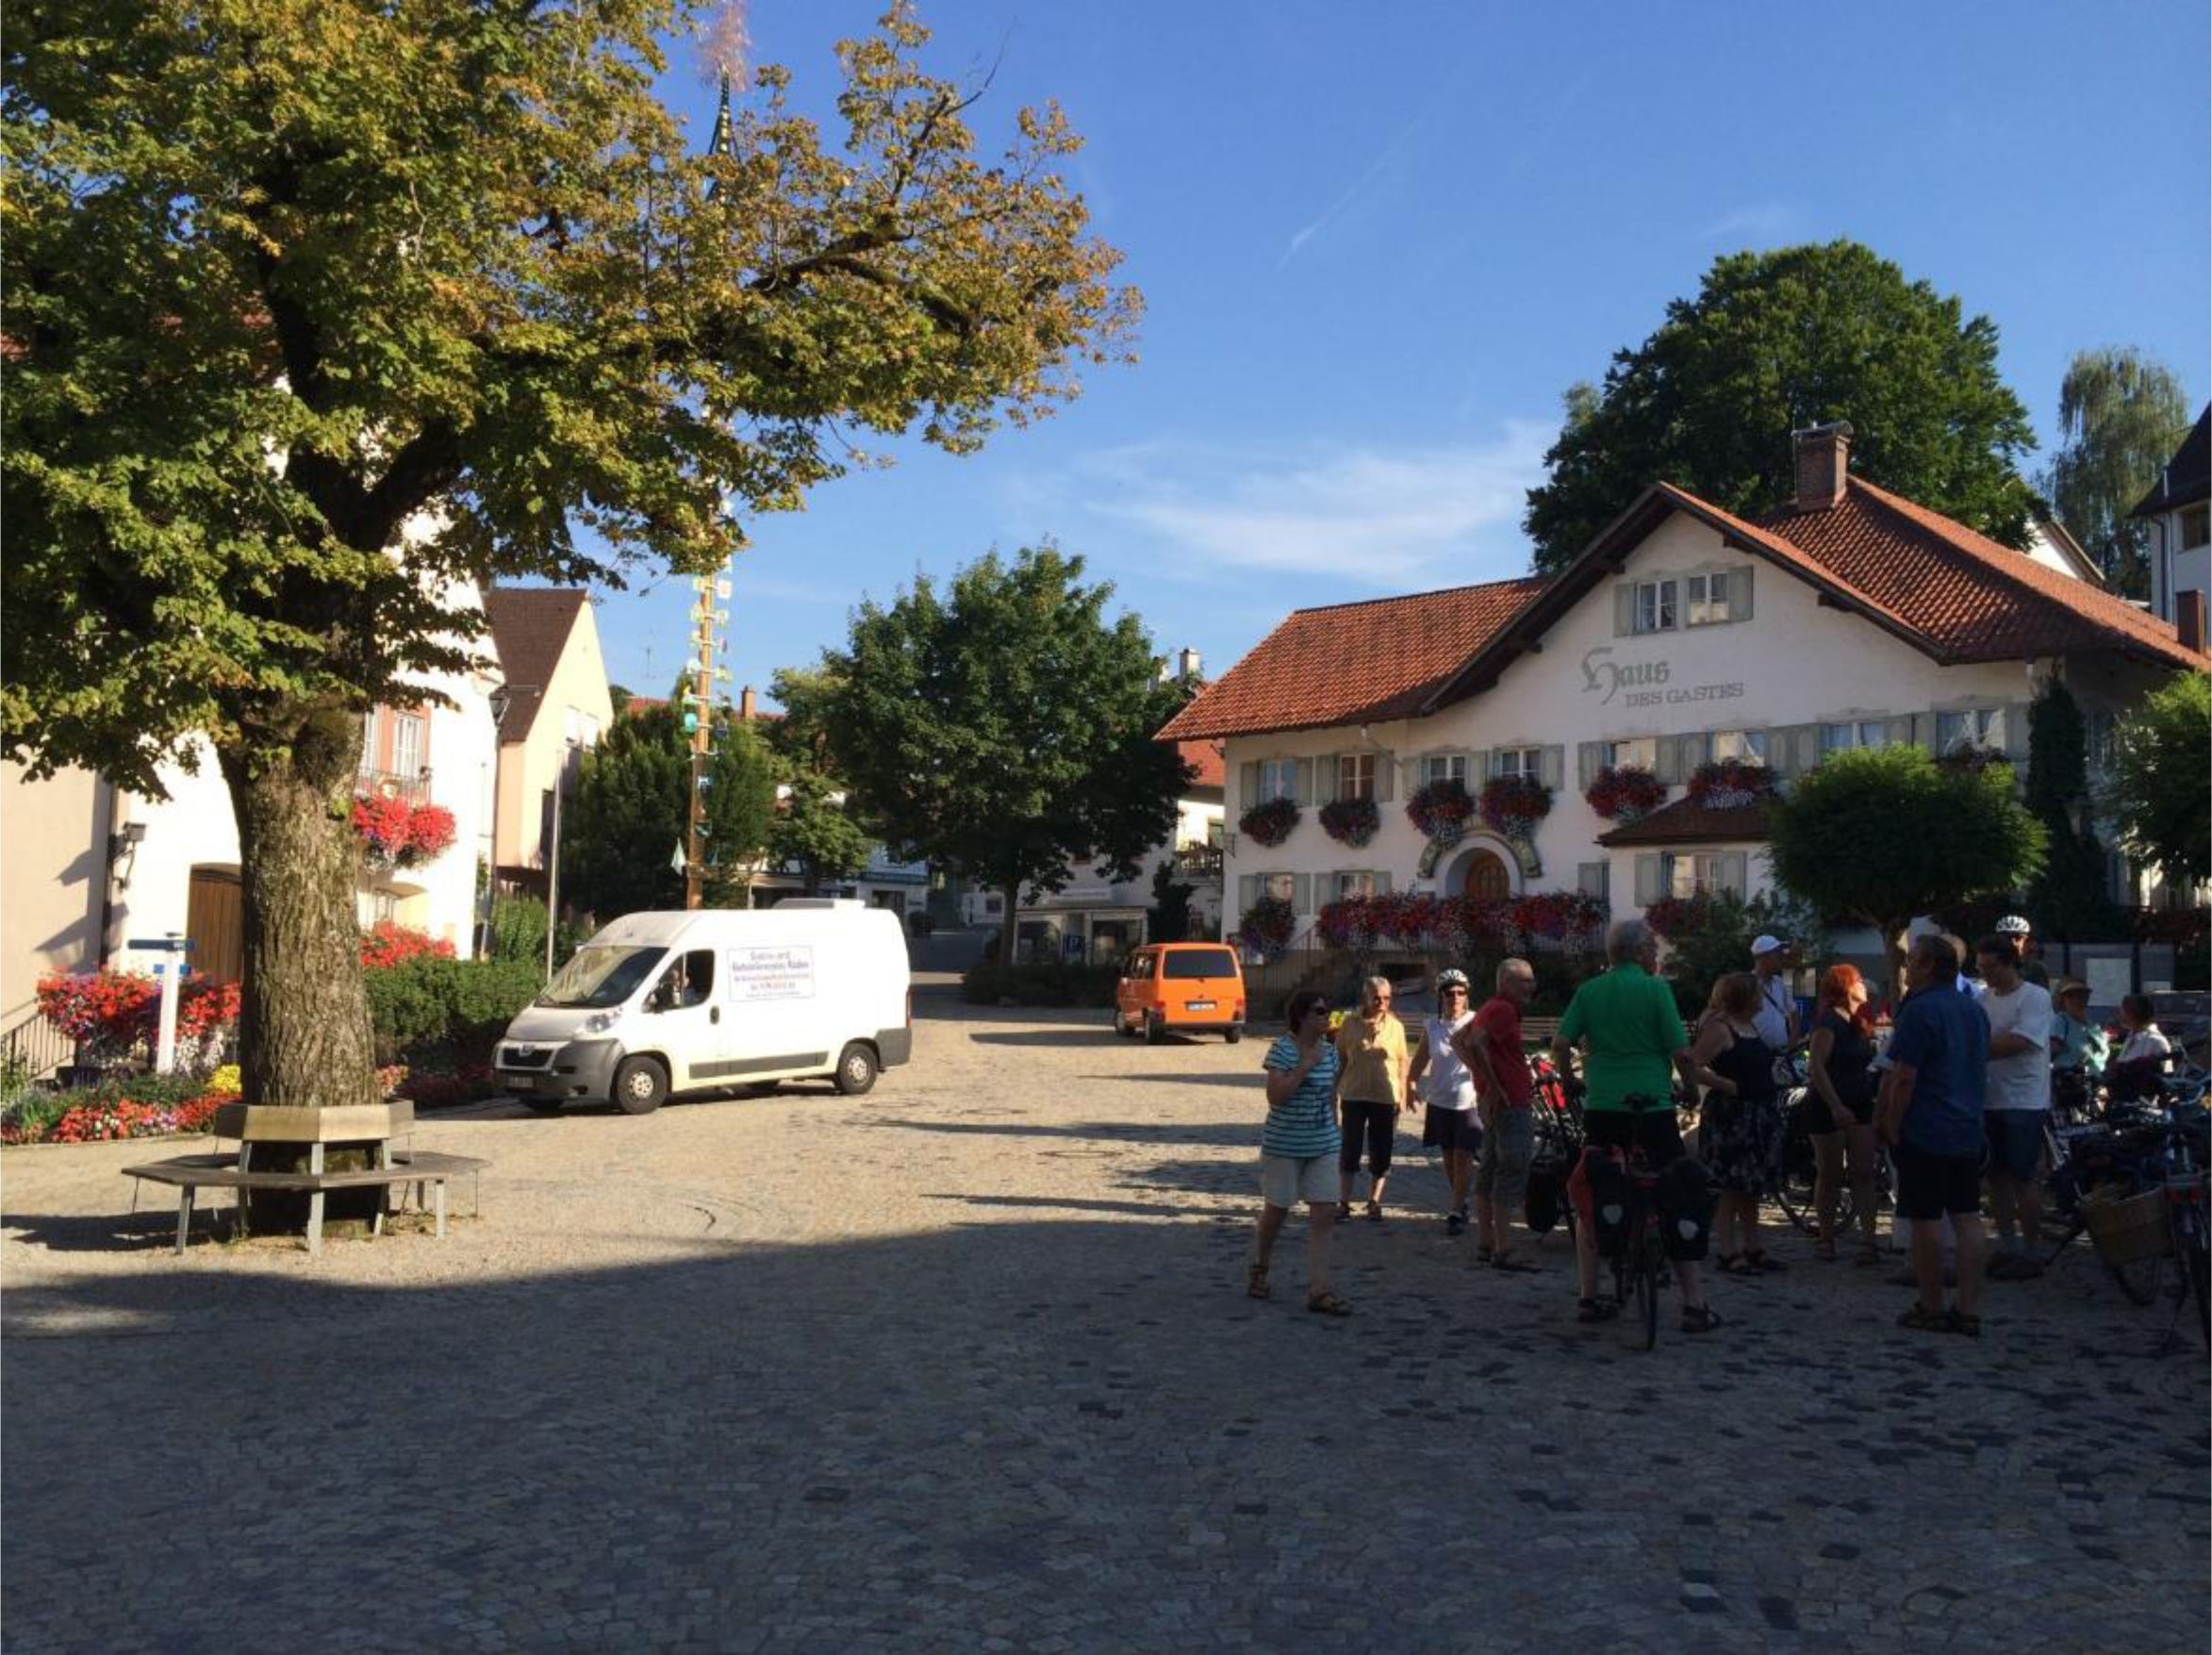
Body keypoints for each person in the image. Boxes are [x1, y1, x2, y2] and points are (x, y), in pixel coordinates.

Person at [1551, 919, 1718, 1332]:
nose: (1656, 958)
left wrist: (1570, 1080)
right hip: (1654, 1107)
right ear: (1641, 953)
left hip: (1605, 1106)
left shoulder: (1590, 991)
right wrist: (1692, 1091)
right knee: (1675, 1191)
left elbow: (1560, 1043)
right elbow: (1680, 1052)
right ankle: (1694, 1304)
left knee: (1593, 1193)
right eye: (1654, 951)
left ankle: (1589, 1296)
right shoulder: (1656, 989)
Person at [1878, 934, 1989, 1336]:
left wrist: (1891, 1121)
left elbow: (1904, 1076)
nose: (1906, 966)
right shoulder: (1973, 1010)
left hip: (1927, 1127)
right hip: (1967, 1127)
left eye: (1912, 960)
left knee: (1925, 1219)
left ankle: (1931, 1305)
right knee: (1967, 1216)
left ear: (1928, 966)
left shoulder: (1920, 1010)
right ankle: (1968, 1307)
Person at [1250, 990, 1349, 1315]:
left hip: (1323, 1143)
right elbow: (1275, 1097)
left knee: (1324, 1213)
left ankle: (1319, 1290)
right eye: (1320, 1012)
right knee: (1277, 1211)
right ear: (1303, 1017)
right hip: (1285, 1144)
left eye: (1328, 1011)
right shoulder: (1282, 1050)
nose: (1327, 1018)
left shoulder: (1331, 1053)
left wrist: (1335, 1130)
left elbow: (1331, 1094)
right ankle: (1260, 1264)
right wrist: (1304, 1067)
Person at [1692, 972, 1786, 1275]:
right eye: (1757, 993)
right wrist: (1724, 1084)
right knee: (1730, 1185)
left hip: (1756, 1112)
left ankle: (1753, 1245)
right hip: (1731, 1116)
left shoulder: (1748, 1026)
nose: (1762, 998)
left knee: (1750, 1185)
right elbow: (1691, 1063)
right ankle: (1728, 1251)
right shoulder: (1721, 1028)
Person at [1451, 957, 1540, 1271]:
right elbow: (1473, 1042)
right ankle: (1503, 1247)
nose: (1531, 985)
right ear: (1506, 983)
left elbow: (1458, 1040)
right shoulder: (1501, 1009)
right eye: (1524, 981)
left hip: (1497, 1101)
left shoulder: (1490, 1007)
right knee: (1511, 1167)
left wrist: (1484, 1081)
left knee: (1490, 1167)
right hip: (1509, 1102)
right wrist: (1494, 1085)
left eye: (1531, 980)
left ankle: (1486, 1242)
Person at [1976, 935, 2054, 1281]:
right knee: (1996, 1177)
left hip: (2024, 1100)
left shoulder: (2035, 998)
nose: (1986, 974)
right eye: (1981, 968)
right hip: (1990, 1097)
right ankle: (2008, 1245)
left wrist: (1975, 1049)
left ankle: (2033, 1250)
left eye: (1990, 967)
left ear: (2008, 963)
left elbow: (2020, 1041)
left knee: (2023, 1176)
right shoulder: (1982, 999)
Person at [1806, 963, 1882, 1266]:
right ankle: (1826, 1237)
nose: (1865, 985)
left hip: (1860, 1100)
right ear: (1846, 986)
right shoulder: (1829, 1022)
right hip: (1828, 1104)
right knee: (1830, 1173)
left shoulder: (1859, 1021)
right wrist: (1835, 1105)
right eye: (1859, 980)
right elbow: (1816, 1067)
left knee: (1864, 1172)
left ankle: (1869, 1240)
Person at [1408, 969, 1481, 1234]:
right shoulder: (1433, 1026)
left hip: (1468, 1100)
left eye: (1461, 992)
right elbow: (1420, 1058)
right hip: (1439, 1099)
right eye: (1450, 993)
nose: (1456, 997)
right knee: (1448, 1156)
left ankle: (1455, 1208)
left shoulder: (1475, 1021)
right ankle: (1459, 1203)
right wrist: (1410, 1084)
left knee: (1464, 1156)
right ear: (1441, 996)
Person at [1335, 975, 1411, 1221]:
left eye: (1387, 998)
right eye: (1377, 997)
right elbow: (1340, 1058)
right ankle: (1344, 1203)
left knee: (1382, 1151)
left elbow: (1402, 1062)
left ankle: (1374, 1201)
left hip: (1385, 1096)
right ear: (1365, 997)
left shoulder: (1396, 1026)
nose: (1382, 1002)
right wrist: (1332, 1090)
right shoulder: (1349, 1024)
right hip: (1354, 1094)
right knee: (1350, 1148)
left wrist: (1403, 1093)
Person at [2048, 980, 2108, 1118]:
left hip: (2095, 1087)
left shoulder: (2093, 1026)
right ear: (2065, 999)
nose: (2080, 999)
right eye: (2075, 996)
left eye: (2084, 995)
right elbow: (2053, 1049)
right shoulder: (2061, 1021)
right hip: (2069, 1087)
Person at [2106, 994, 2172, 1104]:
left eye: (2122, 1011)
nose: (2120, 1015)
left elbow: (2164, 1080)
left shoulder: (2156, 1041)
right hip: (2124, 1104)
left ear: (2132, 1014)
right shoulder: (2132, 1036)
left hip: (2146, 1110)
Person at [1749, 934, 1800, 1054]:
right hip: (1757, 1054)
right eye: (1777, 953)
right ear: (1763, 957)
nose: (1782, 956)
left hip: (1781, 1054)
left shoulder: (1780, 982)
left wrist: (1792, 1043)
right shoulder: (1747, 984)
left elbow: (1795, 1014)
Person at [1994, 914, 2051, 989]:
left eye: (2017, 938)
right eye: (2007, 938)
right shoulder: (1991, 963)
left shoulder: (2036, 969)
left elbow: (2042, 997)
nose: (2012, 942)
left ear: (2026, 941)